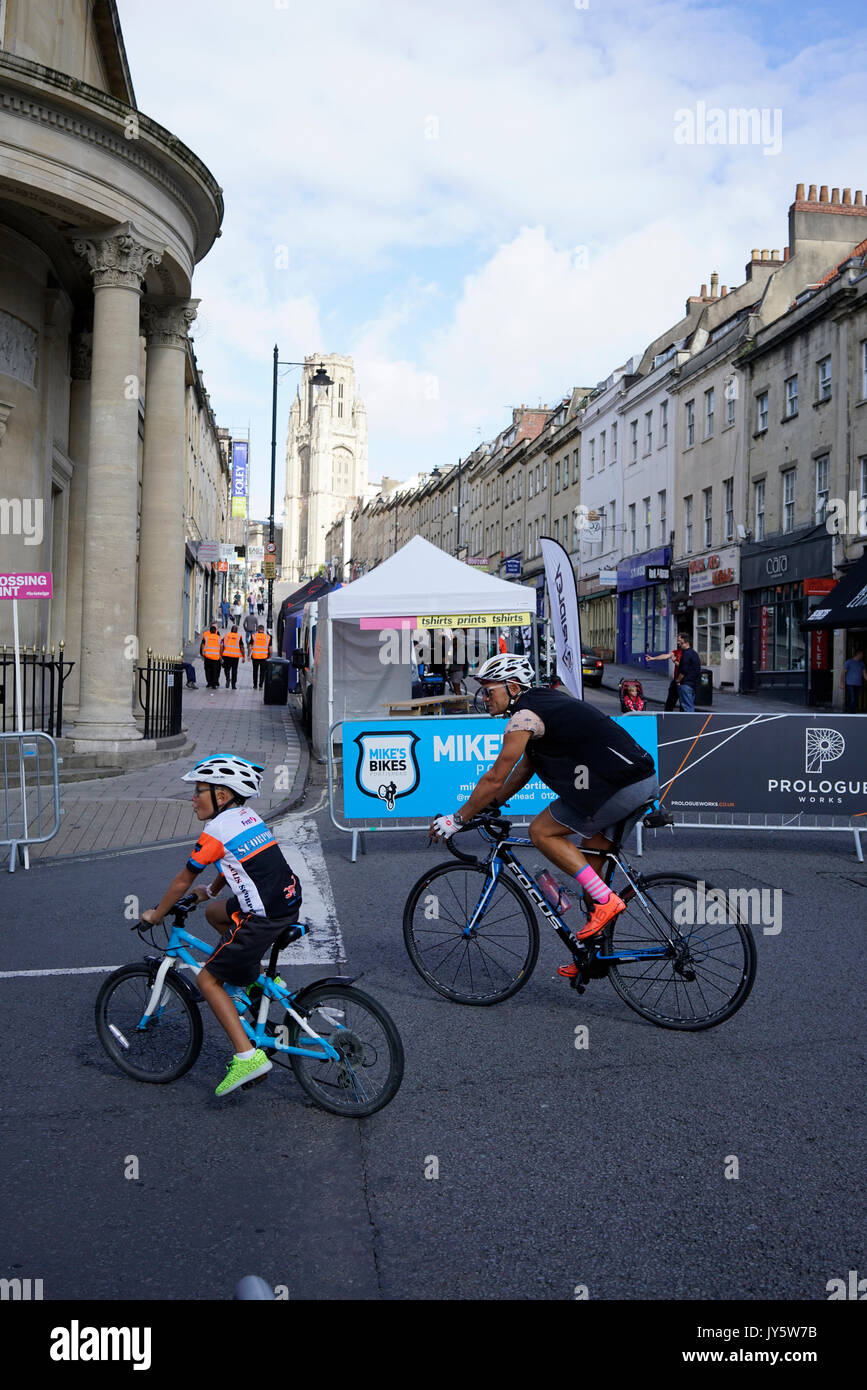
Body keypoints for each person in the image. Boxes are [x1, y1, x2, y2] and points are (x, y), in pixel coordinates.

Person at [429, 654, 659, 975]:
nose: (484, 697)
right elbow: (525, 769)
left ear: (512, 686)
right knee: (591, 879)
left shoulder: (524, 716)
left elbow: (496, 775)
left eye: (488, 690)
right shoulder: (544, 704)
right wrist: (491, 805)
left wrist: (457, 819)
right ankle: (593, 959)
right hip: (638, 780)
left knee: (541, 831)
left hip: (617, 787)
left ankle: (606, 905)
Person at [139, 755, 303, 1096]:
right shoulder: (246, 817)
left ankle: (247, 1057)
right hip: (285, 902)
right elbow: (237, 862)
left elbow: (183, 880)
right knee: (215, 913)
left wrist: (156, 914)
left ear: (222, 796)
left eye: (199, 791)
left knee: (208, 979)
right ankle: (257, 980)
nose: (192, 798)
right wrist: (211, 891)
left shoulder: (215, 829)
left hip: (261, 916)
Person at [645, 636, 684, 711]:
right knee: (669, 703)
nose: (678, 642)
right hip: (676, 680)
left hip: (684, 681)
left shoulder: (689, 653)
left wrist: (675, 661)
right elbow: (666, 656)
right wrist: (653, 658)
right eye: (677, 640)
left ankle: (683, 720)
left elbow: (685, 667)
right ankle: (667, 718)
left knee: (683, 704)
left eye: (679, 640)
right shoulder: (677, 651)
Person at [675, 633, 701, 711]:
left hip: (686, 684)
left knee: (687, 707)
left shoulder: (686, 654)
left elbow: (684, 670)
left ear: (685, 642)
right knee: (689, 705)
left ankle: (690, 722)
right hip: (693, 684)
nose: (679, 644)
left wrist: (678, 681)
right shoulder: (694, 653)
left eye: (680, 642)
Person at [220, 625, 245, 689]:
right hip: (235, 656)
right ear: (236, 631)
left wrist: (221, 654)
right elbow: (241, 647)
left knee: (227, 669)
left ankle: (228, 678)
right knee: (234, 670)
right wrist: (243, 656)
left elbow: (221, 645)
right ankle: (233, 685)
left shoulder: (226, 635)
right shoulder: (239, 636)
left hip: (226, 655)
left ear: (231, 630)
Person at [841, 648, 865, 713]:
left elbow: (864, 673)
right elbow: (843, 673)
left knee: (856, 699)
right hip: (850, 684)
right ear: (858, 654)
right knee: (852, 699)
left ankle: (853, 711)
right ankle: (851, 712)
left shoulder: (861, 663)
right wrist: (842, 683)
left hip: (858, 684)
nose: (862, 656)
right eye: (862, 654)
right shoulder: (848, 662)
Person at [200, 624, 222, 690]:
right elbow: (221, 646)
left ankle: (209, 683)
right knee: (215, 670)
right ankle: (214, 684)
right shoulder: (219, 638)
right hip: (215, 657)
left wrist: (203, 653)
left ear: (210, 631)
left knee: (207, 670)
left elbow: (203, 645)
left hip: (207, 656)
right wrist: (220, 654)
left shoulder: (206, 637)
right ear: (215, 631)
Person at [250, 625, 272, 689]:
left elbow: (250, 646)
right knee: (262, 672)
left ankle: (255, 685)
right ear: (263, 629)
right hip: (264, 657)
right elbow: (270, 648)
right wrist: (270, 656)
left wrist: (248, 655)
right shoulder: (268, 637)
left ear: (257, 629)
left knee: (255, 671)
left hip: (255, 657)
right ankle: (261, 685)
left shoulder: (254, 636)